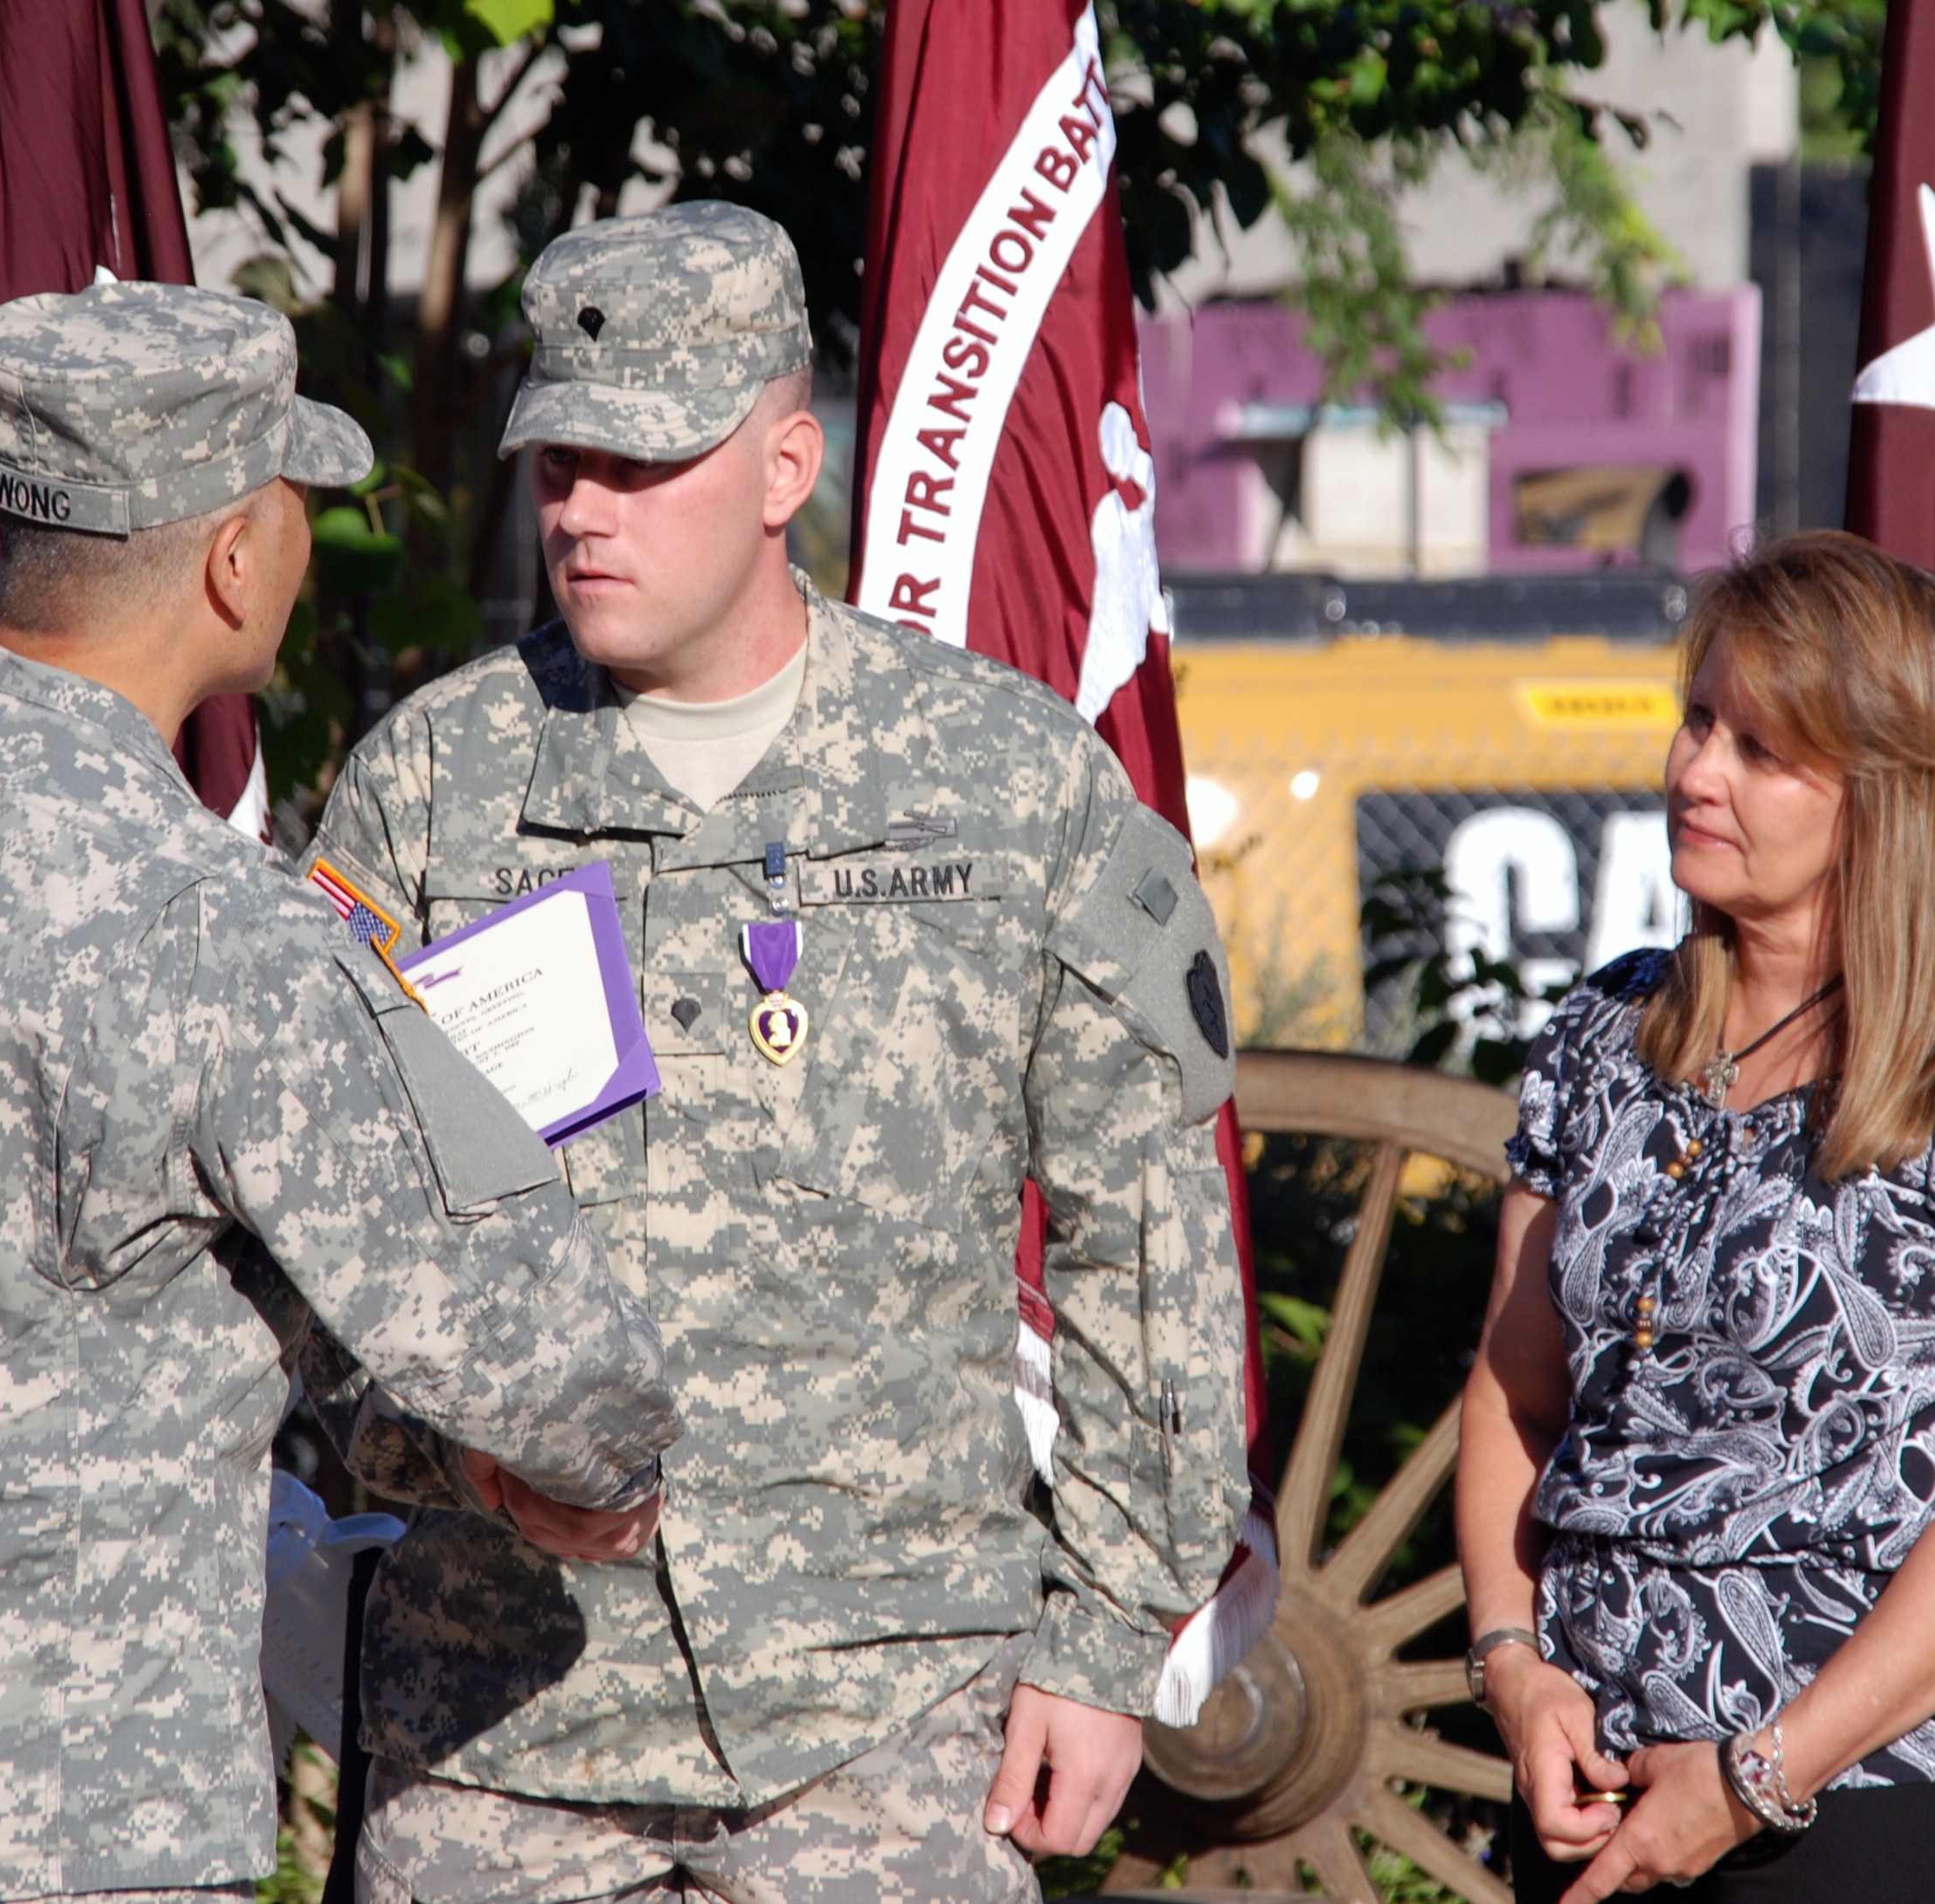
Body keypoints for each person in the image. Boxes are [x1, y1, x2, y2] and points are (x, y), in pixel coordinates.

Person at [0, 281, 681, 1904]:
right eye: (291, 499)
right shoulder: (210, 923)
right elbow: (565, 1378)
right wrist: (572, 1461)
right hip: (78, 1835)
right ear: (235, 556)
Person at [296, 200, 1253, 1904]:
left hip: (885, 1727)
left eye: (640, 463)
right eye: (556, 463)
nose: (582, 509)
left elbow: (1147, 1235)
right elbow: (305, 1244)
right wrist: (458, 1456)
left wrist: (1110, 1639)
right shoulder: (429, 794)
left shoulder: (1000, 781)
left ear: (779, 465)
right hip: (504, 1730)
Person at [1456, 531, 1935, 1904]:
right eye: (1697, 720)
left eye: (1760, 751)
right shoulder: (1607, 1031)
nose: (1693, 771)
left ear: (1889, 793)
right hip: (1594, 1790)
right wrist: (1513, 1666)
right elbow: (1513, 1391)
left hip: (1897, 1800)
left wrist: (1755, 1776)